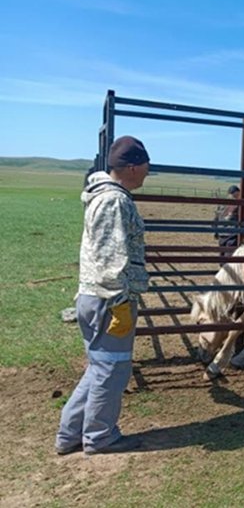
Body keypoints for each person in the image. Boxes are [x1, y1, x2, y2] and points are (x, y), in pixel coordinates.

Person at [55, 136, 151, 455]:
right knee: (113, 368)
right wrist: (121, 301)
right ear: (133, 167)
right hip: (109, 299)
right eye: (146, 167)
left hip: (94, 296)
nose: (148, 173)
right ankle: (99, 436)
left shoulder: (104, 196)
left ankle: (70, 433)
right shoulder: (115, 201)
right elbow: (111, 259)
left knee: (100, 367)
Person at [213, 185, 241, 259]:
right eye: (236, 194)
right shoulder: (237, 205)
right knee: (225, 258)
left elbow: (216, 218)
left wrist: (215, 231)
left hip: (227, 234)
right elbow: (217, 217)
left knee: (225, 257)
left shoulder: (223, 204)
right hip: (229, 234)